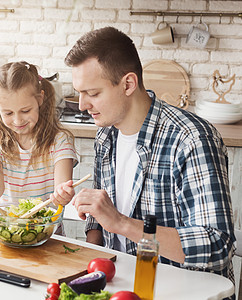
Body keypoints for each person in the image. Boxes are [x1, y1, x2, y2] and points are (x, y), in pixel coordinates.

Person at [59, 26, 235, 285]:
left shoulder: (191, 139)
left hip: (182, 290)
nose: (83, 105)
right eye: (80, 92)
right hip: (120, 284)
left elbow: (217, 247)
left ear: (128, 84)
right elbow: (100, 220)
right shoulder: (106, 134)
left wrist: (121, 223)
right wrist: (89, 266)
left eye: (93, 93)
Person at [0, 61, 78, 208]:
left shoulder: (60, 141)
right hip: (6, 227)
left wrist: (63, 195)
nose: (17, 120)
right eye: (8, 113)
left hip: (46, 228)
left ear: (40, 99)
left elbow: (62, 187)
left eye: (25, 111)